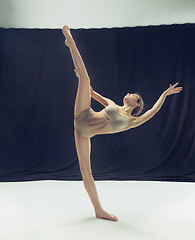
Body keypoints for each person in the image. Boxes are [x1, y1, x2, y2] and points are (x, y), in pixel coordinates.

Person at [62, 25, 182, 222]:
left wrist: (164, 94)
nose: (128, 93)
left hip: (83, 134)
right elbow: (92, 93)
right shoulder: (112, 104)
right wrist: (82, 81)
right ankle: (70, 42)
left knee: (87, 172)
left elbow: (154, 111)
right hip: (83, 115)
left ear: (136, 104)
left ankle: (99, 210)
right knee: (85, 77)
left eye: (132, 95)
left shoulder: (132, 121)